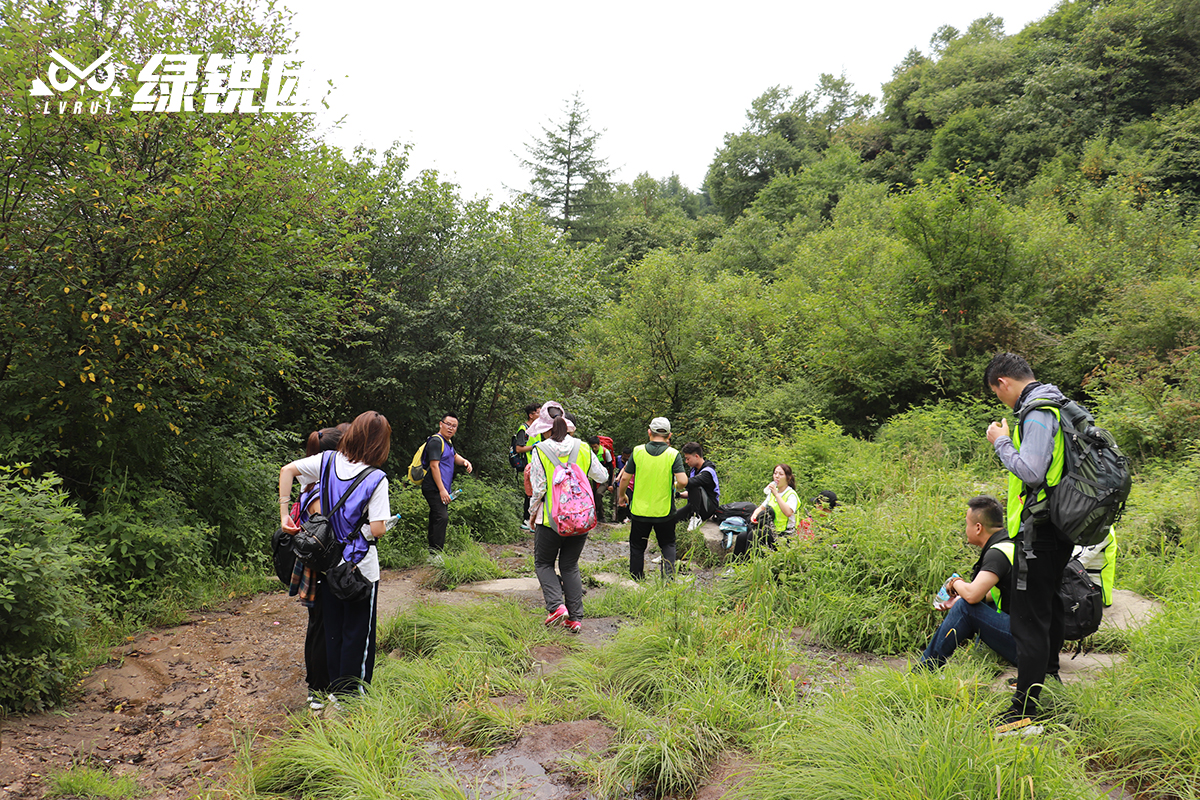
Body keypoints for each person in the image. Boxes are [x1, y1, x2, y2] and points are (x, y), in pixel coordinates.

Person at [984, 352, 1071, 729]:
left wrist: (1001, 441)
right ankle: (1047, 679)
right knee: (1047, 606)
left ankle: (1023, 710)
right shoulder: (1060, 404)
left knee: (1028, 620)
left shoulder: (1036, 413)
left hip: (1041, 532)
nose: (1001, 400)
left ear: (1003, 382)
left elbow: (1033, 472)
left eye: (996, 392)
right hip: (1058, 527)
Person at [278, 411, 392, 700]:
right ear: (381, 443)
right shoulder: (376, 478)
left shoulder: (326, 461)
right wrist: (379, 526)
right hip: (359, 569)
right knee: (358, 635)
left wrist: (283, 515)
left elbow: (287, 471)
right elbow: (377, 528)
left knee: (333, 632)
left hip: (327, 564)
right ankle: (350, 698)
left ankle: (330, 694)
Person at [915, 496, 1018, 671]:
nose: (965, 529)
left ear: (978, 528)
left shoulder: (998, 553)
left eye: (966, 524)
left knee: (965, 606)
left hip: (1028, 647)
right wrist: (963, 596)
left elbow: (971, 596)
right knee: (969, 604)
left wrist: (955, 583)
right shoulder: (1011, 543)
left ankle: (923, 670)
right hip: (1039, 640)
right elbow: (997, 593)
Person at [286, 424, 348, 709]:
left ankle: (319, 684)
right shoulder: (322, 488)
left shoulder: (309, 480)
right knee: (322, 625)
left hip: (312, 565)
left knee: (318, 623)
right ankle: (317, 688)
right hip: (322, 566)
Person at [529, 416, 609, 633]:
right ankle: (575, 619)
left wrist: (531, 513)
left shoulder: (540, 450)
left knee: (544, 563)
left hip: (550, 521)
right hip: (580, 518)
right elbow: (603, 475)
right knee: (570, 565)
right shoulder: (583, 447)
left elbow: (539, 489)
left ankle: (556, 606)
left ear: (546, 431)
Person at [617, 417, 687, 579]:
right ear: (669, 435)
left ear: (649, 432)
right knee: (667, 545)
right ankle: (668, 581)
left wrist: (621, 496)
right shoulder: (673, 454)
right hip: (664, 512)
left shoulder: (638, 451)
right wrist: (674, 486)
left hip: (640, 512)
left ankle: (636, 579)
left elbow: (625, 478)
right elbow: (683, 481)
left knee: (637, 546)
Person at [422, 412, 473, 562]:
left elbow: (453, 456)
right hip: (433, 487)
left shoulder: (447, 442)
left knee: (436, 516)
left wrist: (465, 461)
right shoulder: (436, 442)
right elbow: (434, 466)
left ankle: (432, 552)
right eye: (448, 424)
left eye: (454, 426)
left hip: (439, 487)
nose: (450, 428)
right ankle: (436, 554)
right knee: (441, 517)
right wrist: (442, 490)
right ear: (441, 424)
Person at [670, 441, 720, 524]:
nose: (686, 461)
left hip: (708, 507)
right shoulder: (693, 470)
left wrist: (673, 486)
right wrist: (679, 495)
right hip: (695, 505)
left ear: (696, 456)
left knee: (694, 484)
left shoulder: (708, 472)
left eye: (687, 458)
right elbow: (695, 494)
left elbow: (691, 484)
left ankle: (696, 517)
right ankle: (693, 515)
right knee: (673, 518)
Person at [513, 402, 541, 530]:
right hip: (527, 465)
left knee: (535, 492)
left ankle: (532, 520)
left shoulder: (539, 429)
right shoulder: (524, 429)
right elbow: (518, 448)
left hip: (536, 464)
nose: (540, 414)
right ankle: (526, 520)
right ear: (531, 415)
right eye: (538, 412)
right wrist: (535, 446)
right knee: (529, 493)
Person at [750, 464, 800, 536]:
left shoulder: (791, 494)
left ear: (788, 478)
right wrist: (754, 515)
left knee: (754, 535)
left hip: (785, 533)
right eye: (775, 473)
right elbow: (762, 507)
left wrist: (776, 494)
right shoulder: (773, 492)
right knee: (742, 536)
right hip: (772, 529)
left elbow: (788, 512)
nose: (777, 476)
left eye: (781, 474)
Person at [586, 434, 614, 523]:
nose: (594, 449)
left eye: (595, 447)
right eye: (592, 447)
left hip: (605, 478)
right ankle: (595, 516)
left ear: (599, 444)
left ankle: (602, 516)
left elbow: (611, 468)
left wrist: (610, 484)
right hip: (595, 478)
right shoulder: (590, 452)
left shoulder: (605, 452)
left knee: (598, 494)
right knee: (593, 496)